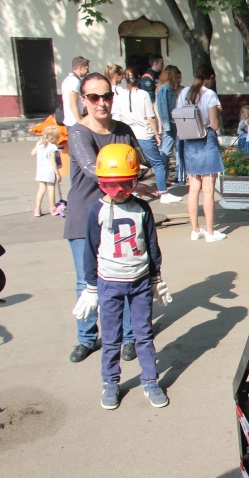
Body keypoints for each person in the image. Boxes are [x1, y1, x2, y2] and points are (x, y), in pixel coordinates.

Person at [73, 143, 172, 410]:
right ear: (100, 183)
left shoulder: (142, 209)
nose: (118, 192)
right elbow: (90, 250)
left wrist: (156, 278)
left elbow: (151, 245)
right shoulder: (97, 211)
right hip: (109, 284)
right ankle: (110, 383)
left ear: (135, 181)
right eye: (110, 186)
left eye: (126, 185)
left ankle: (150, 380)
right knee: (112, 337)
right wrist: (91, 287)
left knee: (143, 334)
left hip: (139, 282)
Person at [64, 72, 144, 363]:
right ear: (84, 100)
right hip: (84, 214)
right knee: (87, 279)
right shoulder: (78, 132)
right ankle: (86, 337)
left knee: (123, 276)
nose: (101, 103)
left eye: (107, 96)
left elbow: (138, 162)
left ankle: (128, 336)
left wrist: (142, 180)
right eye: (94, 97)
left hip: (120, 213)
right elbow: (92, 169)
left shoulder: (122, 129)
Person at [116, 67, 181, 204]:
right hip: (144, 133)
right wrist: (156, 133)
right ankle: (163, 192)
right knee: (157, 163)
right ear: (138, 77)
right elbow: (150, 117)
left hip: (128, 133)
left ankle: (132, 190)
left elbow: (120, 116)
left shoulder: (120, 95)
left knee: (132, 164)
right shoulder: (143, 94)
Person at [177, 64, 226, 242]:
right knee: (208, 189)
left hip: (189, 140)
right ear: (210, 77)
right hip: (206, 140)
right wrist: (218, 113)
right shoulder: (210, 95)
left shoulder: (184, 93)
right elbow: (214, 124)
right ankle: (211, 232)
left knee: (193, 188)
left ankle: (195, 229)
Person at [155, 65, 185, 185]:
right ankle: (165, 176)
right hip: (172, 124)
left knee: (176, 150)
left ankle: (178, 177)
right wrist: (166, 125)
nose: (179, 78)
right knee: (168, 152)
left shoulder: (167, 89)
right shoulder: (166, 89)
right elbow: (163, 108)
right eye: (177, 76)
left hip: (173, 124)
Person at [32, 125, 63, 217]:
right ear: (52, 138)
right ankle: (52, 208)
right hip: (49, 171)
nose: (57, 140)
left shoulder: (39, 144)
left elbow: (32, 153)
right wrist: (57, 173)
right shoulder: (53, 147)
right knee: (51, 188)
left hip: (40, 170)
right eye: (57, 138)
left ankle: (37, 209)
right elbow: (53, 162)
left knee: (41, 189)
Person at [60, 56, 90, 128]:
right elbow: (72, 103)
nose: (88, 71)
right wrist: (80, 122)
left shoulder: (68, 79)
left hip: (71, 121)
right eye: (87, 68)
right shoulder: (74, 81)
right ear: (81, 68)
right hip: (74, 122)